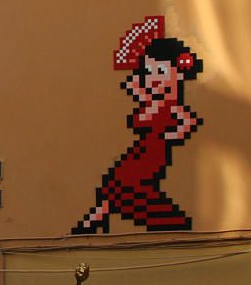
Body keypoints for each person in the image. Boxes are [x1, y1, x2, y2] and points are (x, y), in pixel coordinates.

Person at [73, 16, 202, 234]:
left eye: (160, 72)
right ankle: (93, 222)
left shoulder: (171, 107)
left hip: (153, 156)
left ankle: (170, 222)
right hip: (140, 154)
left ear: (178, 73)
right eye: (149, 72)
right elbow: (139, 119)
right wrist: (139, 90)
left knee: (126, 192)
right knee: (115, 185)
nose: (154, 79)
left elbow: (188, 121)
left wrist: (172, 135)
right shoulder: (154, 104)